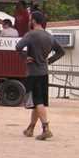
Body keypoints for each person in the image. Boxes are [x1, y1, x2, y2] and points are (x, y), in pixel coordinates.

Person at [15, 10, 65, 140]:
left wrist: (25, 57)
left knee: (37, 102)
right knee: (38, 103)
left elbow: (18, 46)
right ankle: (30, 128)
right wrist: (49, 60)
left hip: (33, 72)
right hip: (44, 72)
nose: (29, 21)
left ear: (34, 21)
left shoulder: (31, 35)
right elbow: (61, 52)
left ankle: (45, 128)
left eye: (30, 19)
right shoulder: (49, 36)